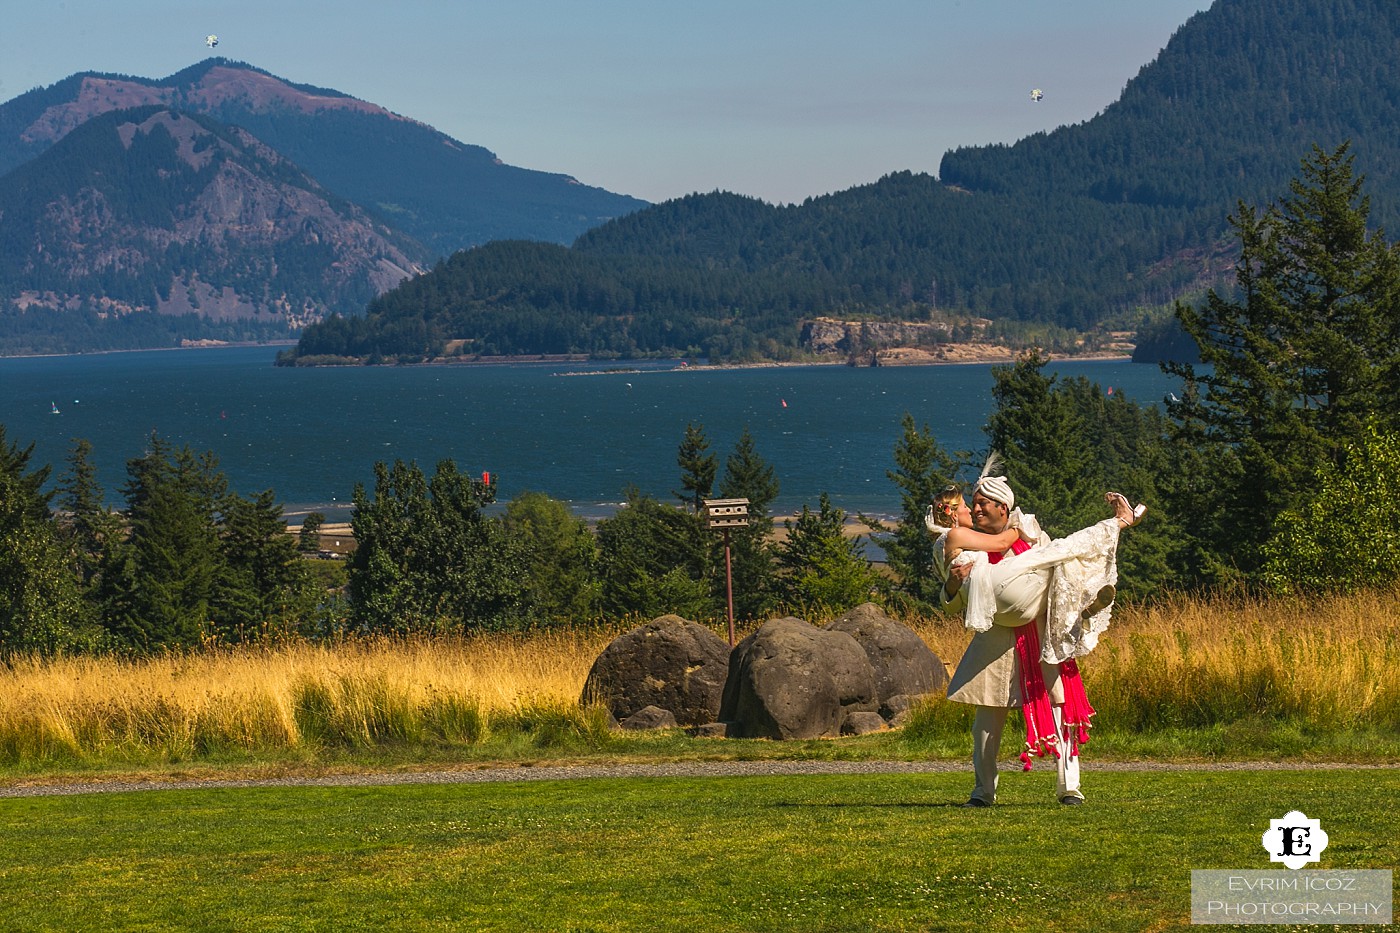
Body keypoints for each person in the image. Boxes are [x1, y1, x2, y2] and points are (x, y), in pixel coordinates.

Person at [929, 472, 1143, 807]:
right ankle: (983, 792)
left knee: (1061, 710)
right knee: (985, 727)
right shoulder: (960, 542)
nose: (978, 509)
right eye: (975, 504)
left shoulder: (1032, 537)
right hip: (995, 641)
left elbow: (1063, 563)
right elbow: (952, 603)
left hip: (1042, 635)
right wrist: (953, 585)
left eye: (984, 503)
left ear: (1003, 506)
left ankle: (1069, 787)